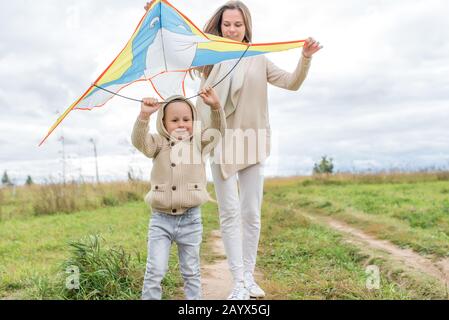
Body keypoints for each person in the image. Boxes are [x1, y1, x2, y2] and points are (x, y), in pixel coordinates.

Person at [145, 0, 322, 300]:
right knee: (229, 213)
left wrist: (304, 58)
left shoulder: (259, 58)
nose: (232, 29)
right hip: (220, 140)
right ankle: (237, 280)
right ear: (219, 26)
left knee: (251, 213)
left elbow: (292, 83)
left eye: (237, 24)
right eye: (227, 24)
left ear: (246, 26)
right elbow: (176, 52)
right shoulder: (210, 57)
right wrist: (160, 19)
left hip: (253, 141)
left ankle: (249, 278)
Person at [132, 87, 226, 300]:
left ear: (194, 121)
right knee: (155, 270)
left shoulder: (199, 143)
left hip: (191, 219)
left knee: (191, 271)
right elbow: (140, 142)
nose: (181, 124)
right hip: (160, 220)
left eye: (186, 119)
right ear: (163, 123)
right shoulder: (157, 143)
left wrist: (216, 107)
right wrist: (144, 116)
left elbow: (218, 132)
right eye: (174, 120)